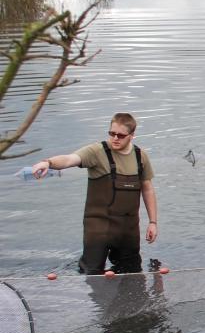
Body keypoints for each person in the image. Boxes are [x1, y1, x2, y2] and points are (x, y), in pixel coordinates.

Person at [30, 112, 158, 274]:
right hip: (98, 228)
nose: (115, 138)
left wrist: (153, 222)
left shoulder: (141, 156)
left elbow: (147, 188)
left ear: (132, 135)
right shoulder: (97, 152)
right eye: (112, 133)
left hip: (129, 229)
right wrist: (47, 162)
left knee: (132, 275)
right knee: (91, 273)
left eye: (121, 135)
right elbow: (70, 159)